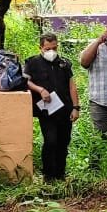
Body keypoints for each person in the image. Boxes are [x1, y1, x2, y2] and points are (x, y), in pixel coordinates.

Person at [23, 33, 81, 182]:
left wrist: (76, 107)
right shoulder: (32, 63)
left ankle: (61, 174)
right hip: (46, 111)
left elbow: (72, 86)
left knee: (63, 142)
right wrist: (40, 90)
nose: (51, 51)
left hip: (65, 109)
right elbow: (26, 82)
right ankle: (48, 175)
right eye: (48, 48)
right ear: (41, 48)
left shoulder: (64, 63)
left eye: (54, 48)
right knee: (50, 141)